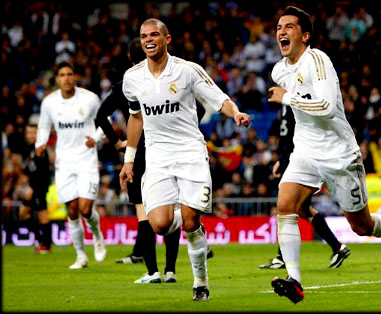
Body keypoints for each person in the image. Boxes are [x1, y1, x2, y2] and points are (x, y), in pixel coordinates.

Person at [267, 6, 381, 304]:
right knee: (285, 205)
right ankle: (296, 280)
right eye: (279, 27)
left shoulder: (318, 61)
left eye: (289, 27)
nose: (281, 31)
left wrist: (287, 97)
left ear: (304, 35)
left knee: (361, 225)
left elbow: (328, 108)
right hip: (306, 151)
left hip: (339, 154)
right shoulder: (280, 69)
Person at [119, 18, 251, 301]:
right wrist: (129, 160)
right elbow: (135, 117)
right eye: (144, 36)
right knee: (159, 225)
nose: (148, 40)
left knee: (190, 223)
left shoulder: (188, 71)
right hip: (157, 157)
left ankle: (200, 281)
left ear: (168, 39)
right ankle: (192, 216)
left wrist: (236, 113)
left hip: (190, 151)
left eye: (155, 34)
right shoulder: (132, 78)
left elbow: (219, 99)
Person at [95, 38, 180, 283]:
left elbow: (101, 116)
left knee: (144, 212)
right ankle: (171, 270)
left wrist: (117, 143)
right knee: (171, 209)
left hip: (138, 153)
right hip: (166, 150)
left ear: (130, 59)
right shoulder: (166, 78)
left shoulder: (126, 84)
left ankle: (152, 272)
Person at [259, 105, 351, 270]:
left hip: (299, 158)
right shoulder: (286, 101)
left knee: (290, 207)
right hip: (291, 157)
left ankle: (283, 257)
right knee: (301, 209)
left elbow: (297, 132)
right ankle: (337, 247)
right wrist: (281, 159)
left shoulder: (295, 100)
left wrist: (285, 158)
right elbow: (286, 134)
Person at [35, 61, 107, 269]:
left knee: (85, 209)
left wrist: (96, 137)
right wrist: (40, 145)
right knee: (72, 210)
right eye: (62, 75)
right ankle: (81, 256)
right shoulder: (49, 102)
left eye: (69, 74)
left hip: (87, 159)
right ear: (57, 79)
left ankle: (97, 235)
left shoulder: (90, 99)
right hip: (64, 162)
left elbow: (105, 120)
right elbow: (43, 127)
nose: (66, 78)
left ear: (75, 77)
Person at [19, 122, 52, 254]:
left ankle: (46, 246)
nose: (30, 135)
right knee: (23, 213)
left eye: (33, 132)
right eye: (28, 132)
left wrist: (32, 188)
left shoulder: (40, 149)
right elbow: (30, 169)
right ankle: (41, 241)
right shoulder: (30, 150)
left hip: (39, 187)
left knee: (42, 214)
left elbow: (41, 172)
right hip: (33, 186)